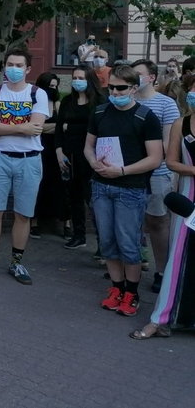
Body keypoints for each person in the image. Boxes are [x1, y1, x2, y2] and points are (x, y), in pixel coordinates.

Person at [84, 64, 163, 317]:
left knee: (128, 244)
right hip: (101, 186)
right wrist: (93, 162)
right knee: (107, 242)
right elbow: (88, 146)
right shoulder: (99, 112)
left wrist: (123, 171)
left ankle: (132, 292)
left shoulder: (145, 117)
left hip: (130, 189)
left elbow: (155, 158)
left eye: (121, 88)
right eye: (112, 88)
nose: (115, 93)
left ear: (133, 88)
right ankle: (116, 288)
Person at [0, 48, 50, 285]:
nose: (13, 69)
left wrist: (2, 128)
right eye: (10, 64)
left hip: (29, 159)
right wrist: (22, 128)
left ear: (28, 69)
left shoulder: (38, 94)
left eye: (19, 65)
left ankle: (17, 262)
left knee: (23, 214)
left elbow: (36, 127)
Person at [131, 73, 195, 339]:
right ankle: (161, 319)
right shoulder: (182, 123)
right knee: (178, 258)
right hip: (188, 201)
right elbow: (171, 162)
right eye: (194, 88)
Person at [131, 59, 181, 293]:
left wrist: (141, 157)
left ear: (151, 77)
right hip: (129, 173)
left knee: (158, 221)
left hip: (157, 172)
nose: (134, 78)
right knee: (131, 221)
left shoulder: (166, 104)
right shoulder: (126, 101)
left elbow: (169, 141)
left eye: (138, 74)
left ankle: (162, 271)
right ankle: (131, 263)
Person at [55, 65, 105, 249]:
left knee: (93, 200)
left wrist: (72, 128)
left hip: (93, 157)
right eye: (74, 77)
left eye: (81, 78)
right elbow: (60, 129)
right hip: (70, 156)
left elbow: (98, 129)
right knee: (74, 197)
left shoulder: (100, 101)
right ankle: (79, 235)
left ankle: (102, 243)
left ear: (89, 80)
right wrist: (59, 152)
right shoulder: (68, 101)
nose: (77, 81)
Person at [31, 72, 66, 238]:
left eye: (55, 86)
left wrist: (51, 127)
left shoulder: (59, 103)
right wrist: (57, 127)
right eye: (50, 86)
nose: (53, 89)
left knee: (61, 185)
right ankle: (34, 222)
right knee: (39, 183)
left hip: (57, 148)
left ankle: (65, 222)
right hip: (40, 147)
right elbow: (36, 127)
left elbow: (65, 126)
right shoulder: (35, 102)